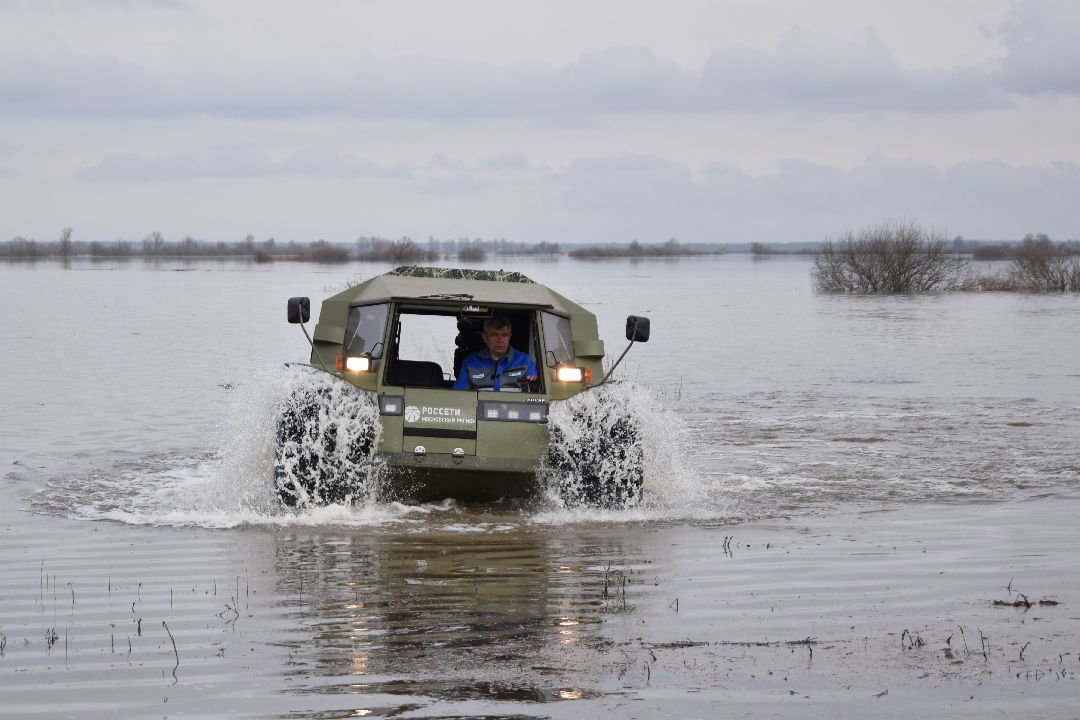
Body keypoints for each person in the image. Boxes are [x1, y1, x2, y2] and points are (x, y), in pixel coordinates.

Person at [453, 315, 538, 390]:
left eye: (504, 335)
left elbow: (534, 392)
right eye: (494, 335)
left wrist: (534, 384)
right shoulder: (470, 363)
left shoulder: (525, 361)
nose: (500, 340)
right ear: (485, 337)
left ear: (509, 337)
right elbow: (459, 395)